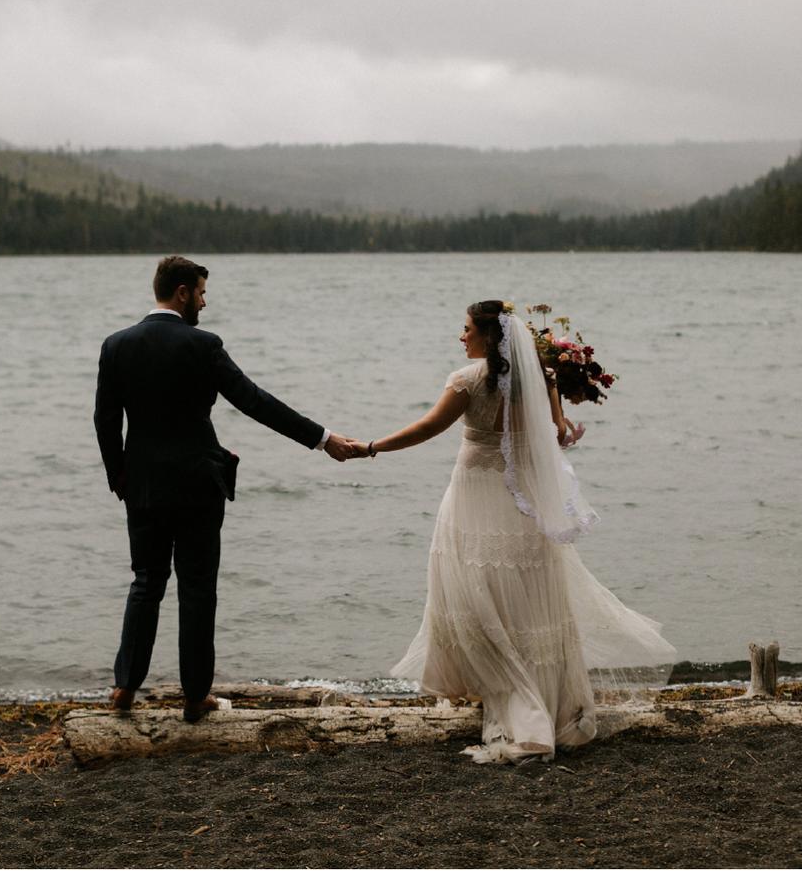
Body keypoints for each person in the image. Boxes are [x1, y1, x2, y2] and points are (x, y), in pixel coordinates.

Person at [355, 300, 676, 763]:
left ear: (490, 337)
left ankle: (521, 712)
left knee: (477, 594)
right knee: (526, 599)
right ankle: (558, 710)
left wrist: (370, 447)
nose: (460, 337)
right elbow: (558, 432)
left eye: (466, 329)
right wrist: (563, 421)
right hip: (523, 504)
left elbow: (427, 428)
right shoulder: (539, 380)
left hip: (474, 498)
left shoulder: (467, 382)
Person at [94, 256, 360, 723]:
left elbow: (105, 420)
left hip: (144, 486)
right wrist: (322, 439)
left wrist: (119, 474)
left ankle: (124, 689)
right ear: (181, 293)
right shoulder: (203, 345)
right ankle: (195, 698)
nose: (203, 301)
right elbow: (254, 401)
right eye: (200, 293)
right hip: (198, 482)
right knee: (197, 589)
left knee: (145, 583)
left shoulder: (116, 345)